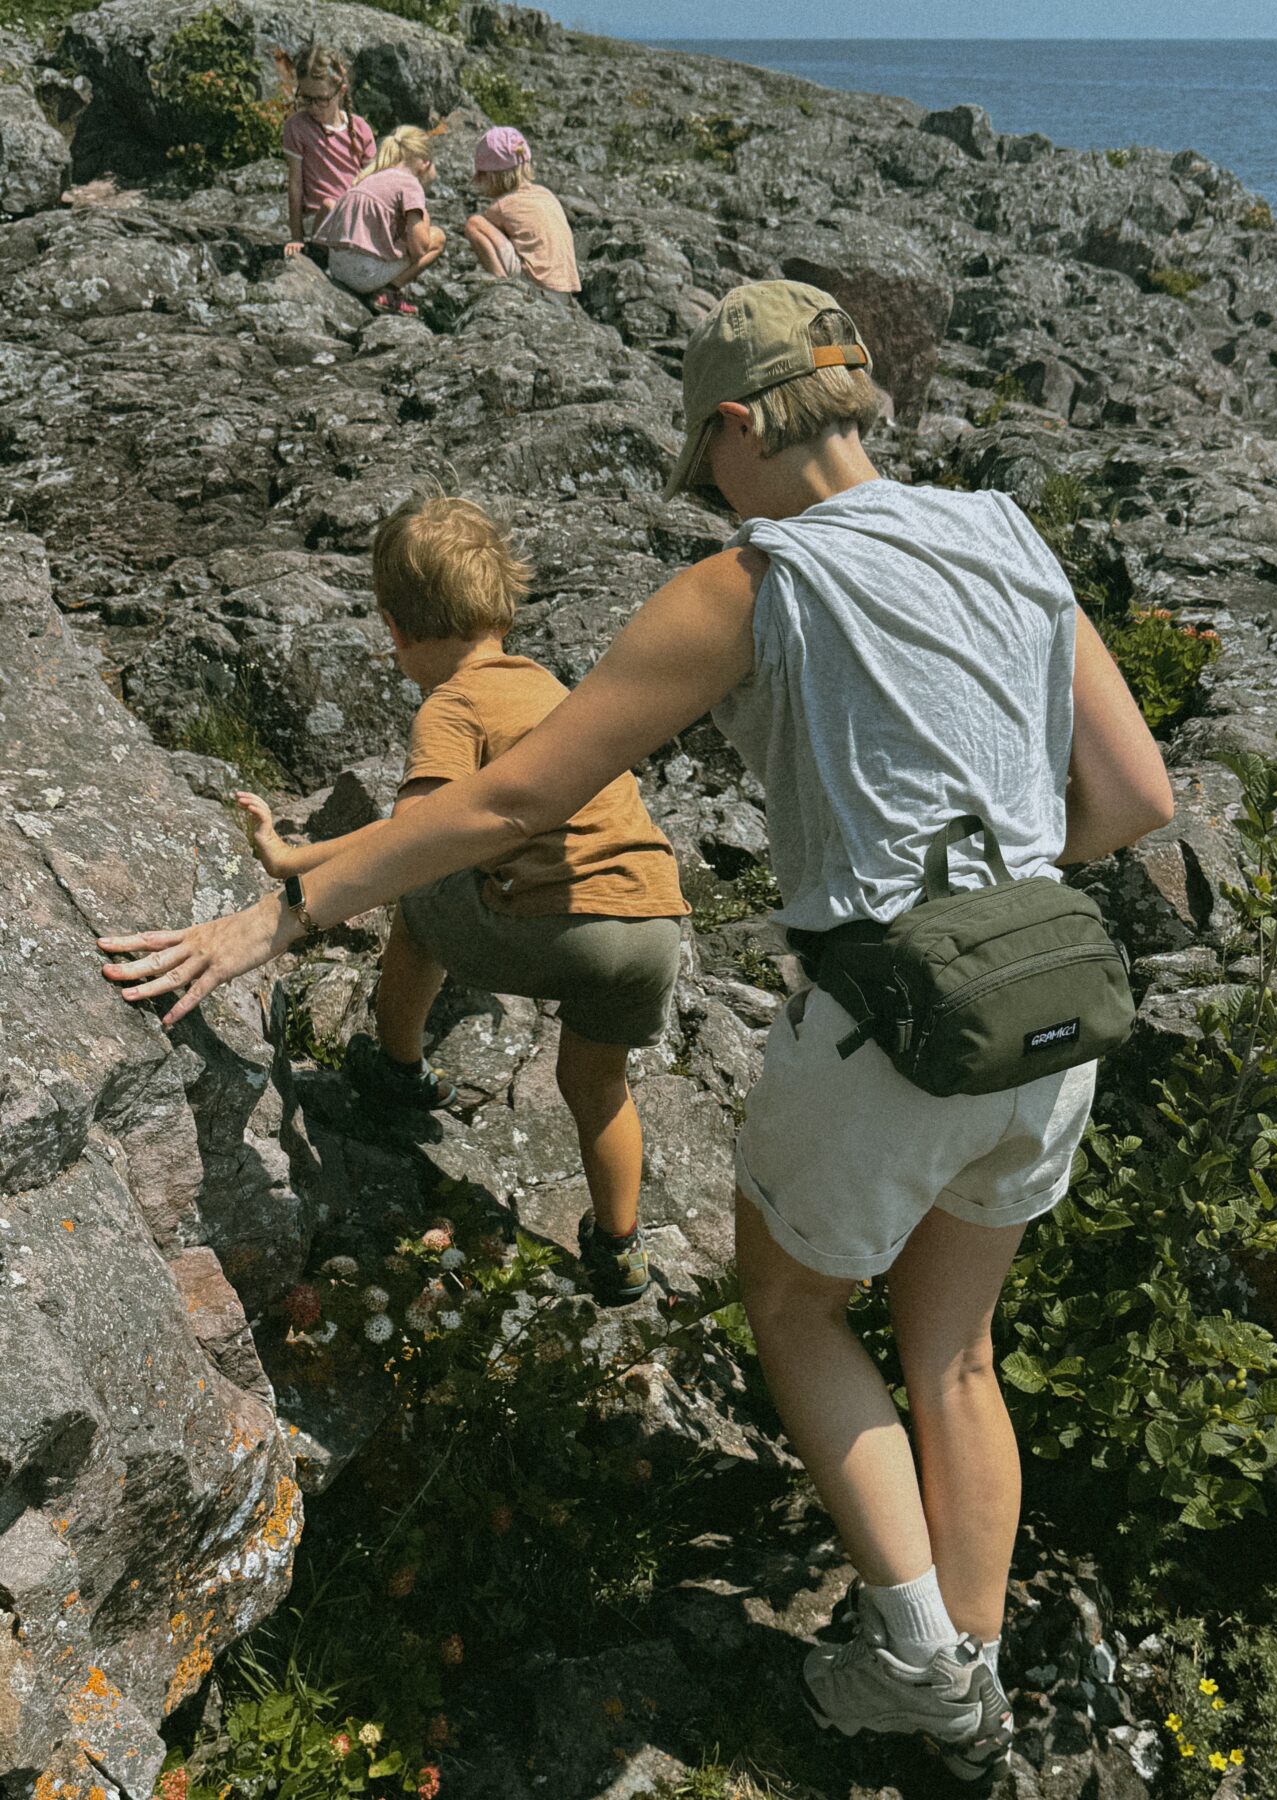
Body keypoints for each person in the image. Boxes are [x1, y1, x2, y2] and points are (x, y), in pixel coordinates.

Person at [98, 281, 1174, 1780]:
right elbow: (1134, 803)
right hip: (1054, 1017)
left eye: (702, 454)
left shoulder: (756, 582)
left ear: (737, 422)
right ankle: (966, 1682)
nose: (707, 485)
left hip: (891, 1021)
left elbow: (519, 793)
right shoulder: (1009, 533)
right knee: (961, 1360)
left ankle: (924, 1669)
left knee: (799, 1312)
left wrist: (287, 911)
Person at [233, 493, 688, 1306]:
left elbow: (415, 839)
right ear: (502, 606)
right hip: (653, 921)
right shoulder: (549, 686)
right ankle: (620, 1250)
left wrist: (293, 865)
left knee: (426, 897)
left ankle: (399, 1066)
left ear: (397, 629)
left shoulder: (454, 704)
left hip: (565, 931)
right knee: (598, 1085)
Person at [313, 125, 446, 314]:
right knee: (437, 237)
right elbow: (419, 250)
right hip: (365, 275)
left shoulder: (370, 177)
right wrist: (423, 215)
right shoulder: (410, 184)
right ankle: (389, 292)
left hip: (337, 267)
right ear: (425, 162)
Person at [463, 126, 580, 305]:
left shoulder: (501, 206)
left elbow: (490, 242)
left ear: (492, 176)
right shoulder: (545, 193)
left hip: (536, 288)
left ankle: (501, 284)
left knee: (475, 224)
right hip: (565, 292)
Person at [281, 44, 376, 257]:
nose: (313, 107)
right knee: (330, 205)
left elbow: (372, 182)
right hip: (320, 219)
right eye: (306, 98)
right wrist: (296, 237)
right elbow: (295, 185)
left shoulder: (360, 129)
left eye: (321, 99)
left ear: (340, 91)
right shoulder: (297, 127)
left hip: (353, 216)